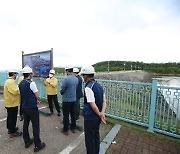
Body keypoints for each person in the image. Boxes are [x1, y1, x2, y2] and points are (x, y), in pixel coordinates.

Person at [80, 65, 106, 154]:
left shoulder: (88, 87)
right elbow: (104, 101)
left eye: (83, 75)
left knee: (89, 140)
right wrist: (102, 113)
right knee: (96, 136)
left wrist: (99, 114)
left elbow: (93, 105)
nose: (82, 77)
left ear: (86, 75)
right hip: (97, 117)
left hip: (90, 117)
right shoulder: (99, 85)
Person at [19, 66, 45, 152]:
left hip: (24, 107)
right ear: (30, 74)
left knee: (25, 124)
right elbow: (37, 95)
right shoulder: (31, 83)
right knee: (35, 125)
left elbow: (24, 95)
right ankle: (37, 145)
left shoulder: (21, 83)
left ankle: (27, 141)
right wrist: (38, 100)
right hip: (32, 108)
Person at [4, 69, 22, 138]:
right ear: (14, 74)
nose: (17, 75)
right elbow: (15, 91)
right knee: (12, 118)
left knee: (10, 117)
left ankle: (10, 129)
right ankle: (13, 132)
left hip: (9, 103)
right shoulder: (10, 82)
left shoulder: (8, 81)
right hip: (12, 103)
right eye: (16, 74)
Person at [60, 66, 78, 135]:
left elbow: (63, 89)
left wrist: (61, 92)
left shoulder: (66, 79)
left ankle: (65, 130)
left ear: (67, 71)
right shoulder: (76, 79)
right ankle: (73, 128)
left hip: (66, 100)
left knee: (66, 115)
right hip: (73, 99)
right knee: (73, 114)